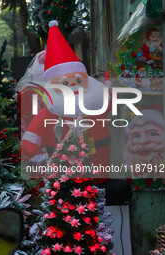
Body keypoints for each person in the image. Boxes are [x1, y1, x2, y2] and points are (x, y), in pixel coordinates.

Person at [21, 20, 111, 171]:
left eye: (78, 80)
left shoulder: (98, 104)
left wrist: (110, 81)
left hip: (100, 172)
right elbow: (29, 147)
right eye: (64, 83)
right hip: (63, 177)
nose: (73, 85)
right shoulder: (47, 115)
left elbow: (112, 99)